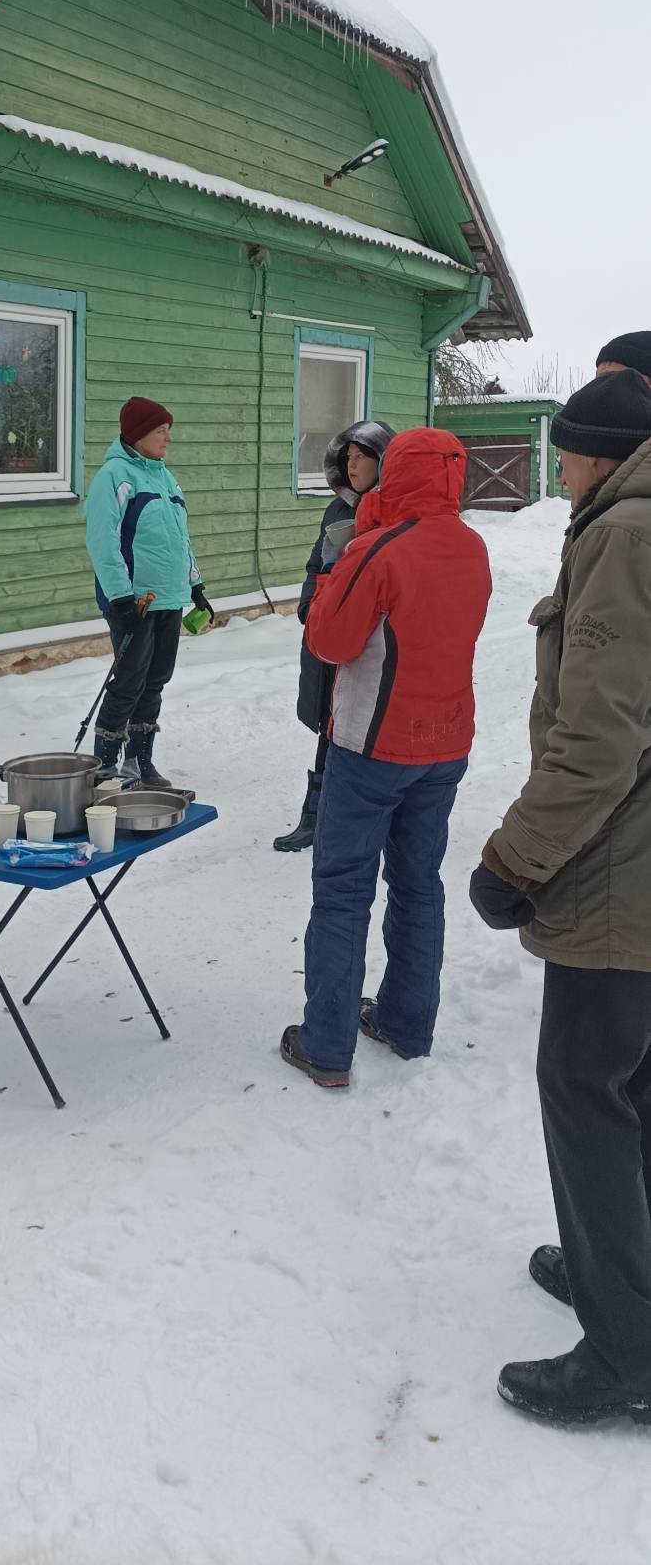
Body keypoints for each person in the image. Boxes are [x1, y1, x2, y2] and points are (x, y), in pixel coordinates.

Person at [470, 368, 651, 1427]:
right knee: (634, 1084)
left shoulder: (624, 533)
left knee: (583, 1089)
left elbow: (596, 742)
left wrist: (514, 861)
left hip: (619, 876)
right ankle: (621, 1277)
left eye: (565, 454)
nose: (561, 472)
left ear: (591, 454)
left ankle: (625, 1353)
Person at [279, 428, 491, 1087]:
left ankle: (326, 1045)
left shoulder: (378, 549)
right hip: (445, 743)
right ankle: (405, 1023)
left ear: (396, 473)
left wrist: (339, 564)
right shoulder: (472, 545)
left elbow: (329, 640)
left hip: (372, 745)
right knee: (418, 884)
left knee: (342, 890)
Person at [273, 419, 394, 852]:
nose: (352, 464)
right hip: (328, 631)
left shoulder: (396, 510)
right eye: (348, 456)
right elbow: (316, 565)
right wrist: (310, 607)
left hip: (371, 642)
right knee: (329, 722)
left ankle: (354, 816)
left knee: (362, 729)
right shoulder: (339, 509)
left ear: (385, 461)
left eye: (362, 456)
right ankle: (316, 815)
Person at [84, 396, 210, 788]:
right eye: (161, 430)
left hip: (169, 597)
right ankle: (104, 769)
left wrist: (195, 584)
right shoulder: (114, 477)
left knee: (155, 681)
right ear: (139, 434)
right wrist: (120, 597)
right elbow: (103, 541)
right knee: (129, 682)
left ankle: (138, 764)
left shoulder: (165, 477)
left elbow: (180, 539)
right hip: (134, 602)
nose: (168, 438)